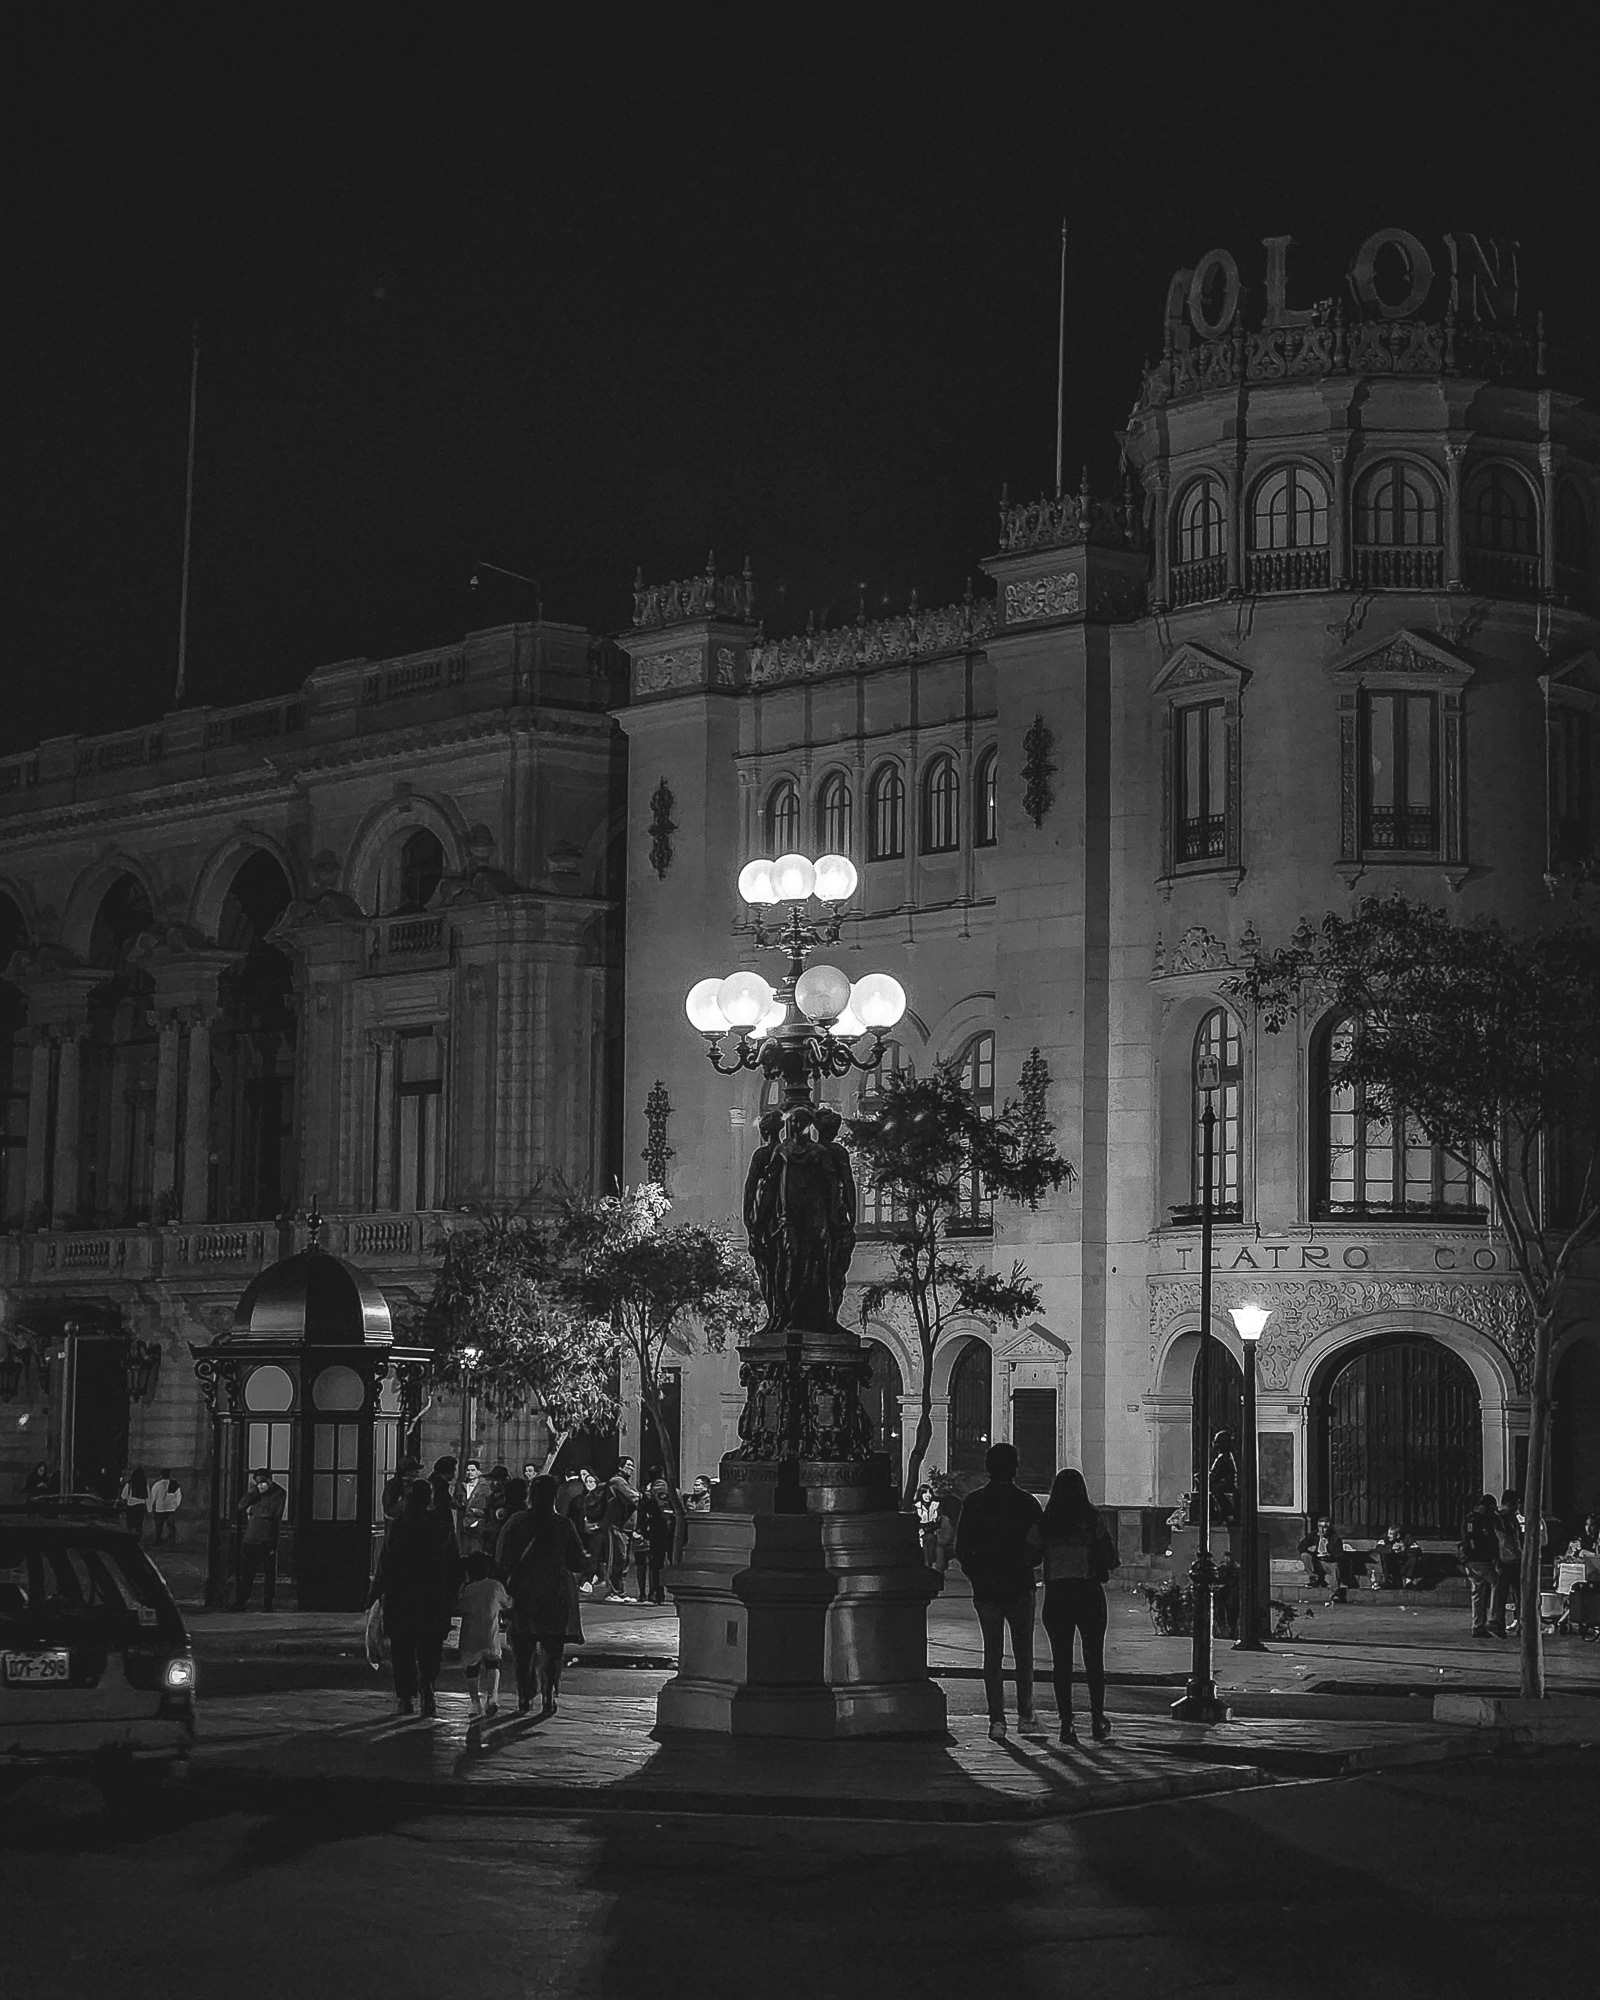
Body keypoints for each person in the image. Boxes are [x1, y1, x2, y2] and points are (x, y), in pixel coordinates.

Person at [954, 1442, 1044, 1742]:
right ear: (1015, 1468)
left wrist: (977, 1576)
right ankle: (1025, 1713)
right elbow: (1037, 1548)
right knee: (1023, 1653)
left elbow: (962, 1548)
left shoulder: (974, 1502)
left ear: (988, 1468)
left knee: (992, 1654)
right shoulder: (1027, 1503)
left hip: (987, 1589)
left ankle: (997, 1718)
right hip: (1019, 1586)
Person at [1037, 1467, 1119, 1745]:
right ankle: (1097, 1718)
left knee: (1061, 1662)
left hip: (1057, 1594)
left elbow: (1031, 1553)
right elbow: (1110, 1556)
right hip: (1088, 1593)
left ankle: (1066, 1723)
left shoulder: (1047, 1521)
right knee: (1094, 1660)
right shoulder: (1092, 1518)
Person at [368, 1480, 461, 1717]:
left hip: (402, 1596)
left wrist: (375, 1592)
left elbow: (386, 1561)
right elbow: (452, 1561)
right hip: (432, 1596)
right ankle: (427, 1689)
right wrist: (454, 1592)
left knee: (402, 1649)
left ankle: (405, 1697)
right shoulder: (439, 1525)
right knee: (431, 1648)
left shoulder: (400, 1525)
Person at [499, 1474, 589, 1715]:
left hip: (523, 1594)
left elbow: (503, 1559)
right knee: (552, 1648)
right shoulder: (563, 1525)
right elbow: (577, 1561)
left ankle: (524, 1695)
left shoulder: (516, 1523)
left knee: (523, 1649)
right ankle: (549, 1694)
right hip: (554, 1594)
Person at [456, 1549, 510, 1719]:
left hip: (470, 1635)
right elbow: (507, 1603)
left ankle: (474, 1703)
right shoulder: (496, 1586)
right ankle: (492, 1698)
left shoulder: (467, 1589)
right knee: (493, 1665)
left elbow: (460, 1607)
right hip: (490, 1634)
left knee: (472, 1669)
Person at [234, 1469, 287, 1610]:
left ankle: (268, 1603)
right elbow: (240, 1506)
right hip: (251, 1537)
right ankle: (241, 1601)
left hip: (267, 1537)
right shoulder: (255, 1493)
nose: (260, 1485)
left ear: (269, 1480)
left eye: (263, 1482)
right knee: (247, 1573)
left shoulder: (279, 1493)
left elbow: (271, 1512)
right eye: (257, 1482)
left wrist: (252, 1509)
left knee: (269, 1573)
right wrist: (251, 1494)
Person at [1460, 1492, 1500, 1638]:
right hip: (1478, 1559)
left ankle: (1478, 1624)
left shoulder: (1477, 1519)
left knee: (1479, 1591)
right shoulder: (1476, 1520)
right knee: (1497, 1582)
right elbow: (1474, 1539)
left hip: (1475, 1559)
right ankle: (1494, 1618)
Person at [601, 1457, 641, 1597]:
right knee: (618, 1559)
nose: (631, 1469)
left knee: (624, 1560)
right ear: (620, 1467)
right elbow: (634, 1498)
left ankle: (620, 1590)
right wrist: (643, 1495)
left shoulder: (626, 1482)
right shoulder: (617, 1481)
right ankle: (614, 1591)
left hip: (626, 1527)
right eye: (628, 1465)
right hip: (617, 1526)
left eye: (632, 1466)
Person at [1489, 1489, 1523, 1638]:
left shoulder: (1511, 1518)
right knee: (1501, 1594)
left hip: (1515, 1559)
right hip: (1503, 1561)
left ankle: (1520, 1623)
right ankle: (1497, 1623)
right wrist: (1495, 1560)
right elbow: (1496, 1540)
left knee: (1519, 1594)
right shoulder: (1496, 1519)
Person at [634, 1478, 673, 1604]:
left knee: (654, 1564)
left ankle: (654, 1593)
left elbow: (642, 1516)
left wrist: (642, 1532)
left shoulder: (649, 1497)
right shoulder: (673, 1493)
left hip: (655, 1533)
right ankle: (663, 1593)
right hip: (670, 1534)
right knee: (667, 1564)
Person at [1297, 1517, 1351, 1602]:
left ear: (1329, 1528)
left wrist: (1329, 1555)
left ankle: (1335, 1593)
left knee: (1335, 1567)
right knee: (1305, 1555)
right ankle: (1314, 1578)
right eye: (1319, 1527)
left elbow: (1339, 1555)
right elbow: (1300, 1547)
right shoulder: (1313, 1536)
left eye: (1324, 1527)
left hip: (1328, 1562)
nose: (1321, 1530)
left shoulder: (1335, 1538)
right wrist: (1309, 1549)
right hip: (1316, 1561)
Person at [1207, 1431, 1239, 1526]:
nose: (1214, 1444)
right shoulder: (1224, 1456)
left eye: (1216, 1441)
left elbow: (1217, 1473)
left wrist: (1209, 1476)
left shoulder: (1225, 1457)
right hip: (1222, 1482)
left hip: (1225, 1484)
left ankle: (1228, 1513)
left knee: (1216, 1491)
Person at [147, 1468, 183, 1545]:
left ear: (161, 1474)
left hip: (159, 1509)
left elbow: (152, 1497)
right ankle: (171, 1541)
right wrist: (175, 1506)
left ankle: (158, 1541)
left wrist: (149, 1508)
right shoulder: (175, 1484)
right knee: (171, 1527)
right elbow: (179, 1497)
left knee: (159, 1527)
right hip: (170, 1509)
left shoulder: (157, 1485)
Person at [383, 1454, 421, 1520]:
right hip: (397, 1521)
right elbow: (389, 1510)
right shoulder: (392, 1485)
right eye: (414, 1469)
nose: (417, 1472)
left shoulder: (417, 1484)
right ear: (406, 1471)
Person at [914, 1484, 943, 1570]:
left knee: (930, 1539)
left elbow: (939, 1522)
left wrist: (927, 1529)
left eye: (929, 1493)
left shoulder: (936, 1506)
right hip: (919, 1533)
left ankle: (931, 1565)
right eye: (925, 1493)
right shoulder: (916, 1507)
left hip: (932, 1532)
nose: (928, 1495)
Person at [118, 1466, 149, 1540]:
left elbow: (124, 1496)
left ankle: (130, 1539)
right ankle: (138, 1539)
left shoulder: (130, 1484)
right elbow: (148, 1496)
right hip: (141, 1506)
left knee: (131, 1525)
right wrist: (149, 1508)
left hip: (131, 1506)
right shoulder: (145, 1484)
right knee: (139, 1525)